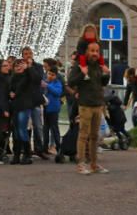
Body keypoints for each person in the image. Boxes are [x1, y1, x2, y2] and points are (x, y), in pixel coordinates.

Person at [66, 41, 110, 175]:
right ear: (86, 52)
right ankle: (81, 164)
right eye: (92, 51)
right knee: (83, 135)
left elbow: (102, 83)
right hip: (85, 105)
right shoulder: (80, 66)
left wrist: (106, 74)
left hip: (98, 104)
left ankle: (94, 164)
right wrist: (82, 73)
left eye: (97, 51)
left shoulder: (98, 65)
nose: (95, 54)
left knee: (95, 136)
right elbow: (71, 82)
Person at [20, 47, 48, 159]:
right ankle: (26, 149)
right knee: (26, 126)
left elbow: (37, 79)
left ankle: (39, 149)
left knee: (38, 126)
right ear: (22, 55)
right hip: (24, 101)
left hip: (35, 100)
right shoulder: (20, 66)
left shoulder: (38, 67)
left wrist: (30, 67)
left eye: (30, 53)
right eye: (26, 54)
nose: (28, 56)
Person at [43, 68, 63, 155]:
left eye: (52, 75)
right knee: (45, 129)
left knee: (54, 128)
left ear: (55, 76)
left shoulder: (57, 83)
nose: (50, 76)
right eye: (49, 74)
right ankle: (45, 147)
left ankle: (58, 147)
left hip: (53, 109)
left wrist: (48, 86)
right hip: (45, 108)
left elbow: (58, 92)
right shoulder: (44, 82)